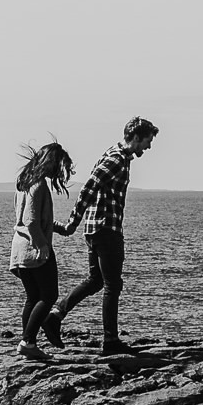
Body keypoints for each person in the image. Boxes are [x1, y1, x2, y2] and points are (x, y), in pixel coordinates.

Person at [46, 117, 159, 356]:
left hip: (97, 228)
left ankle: (55, 316)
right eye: (147, 142)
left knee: (96, 281)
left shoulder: (116, 155)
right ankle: (110, 341)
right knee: (113, 284)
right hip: (105, 229)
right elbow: (89, 187)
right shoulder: (117, 159)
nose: (148, 148)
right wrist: (70, 225)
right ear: (136, 137)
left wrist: (77, 225)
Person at [8, 140, 73, 360]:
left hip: (19, 250)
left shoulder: (24, 184)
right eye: (58, 164)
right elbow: (31, 221)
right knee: (49, 295)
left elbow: (32, 219)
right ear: (50, 162)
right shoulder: (39, 185)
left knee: (33, 296)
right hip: (34, 249)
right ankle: (28, 341)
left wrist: (58, 229)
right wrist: (42, 245)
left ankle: (28, 344)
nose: (59, 170)